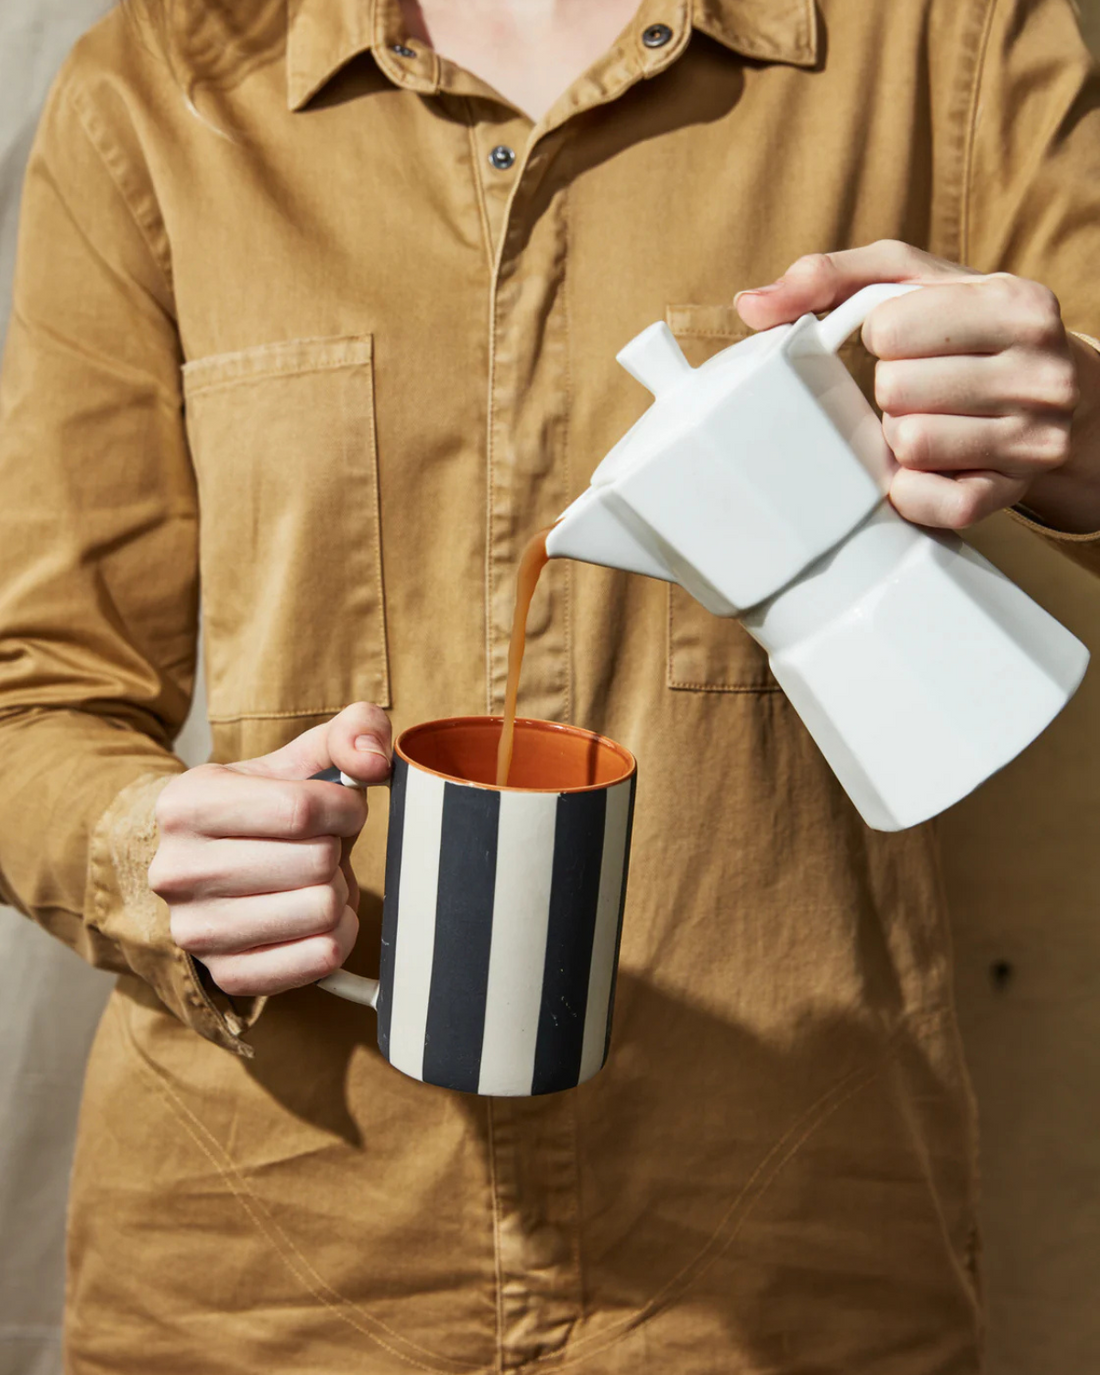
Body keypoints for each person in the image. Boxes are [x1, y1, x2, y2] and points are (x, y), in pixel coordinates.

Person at [1, 0, 1099, 1368]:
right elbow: (33, 691)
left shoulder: (949, 41)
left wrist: (1083, 422)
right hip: (266, 1272)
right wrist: (145, 846)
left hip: (780, 1251)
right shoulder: (159, 86)